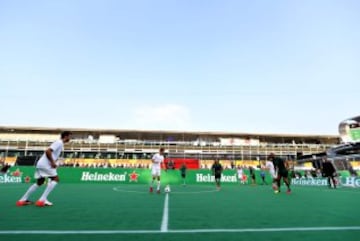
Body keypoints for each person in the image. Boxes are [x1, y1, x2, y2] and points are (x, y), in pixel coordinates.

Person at [16, 131, 72, 207]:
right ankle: (42, 200)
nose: (70, 138)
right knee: (56, 179)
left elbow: (51, 153)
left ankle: (22, 200)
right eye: (70, 136)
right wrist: (52, 162)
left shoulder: (60, 143)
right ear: (66, 136)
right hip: (46, 164)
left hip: (41, 164)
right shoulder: (59, 142)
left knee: (40, 182)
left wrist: (54, 162)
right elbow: (48, 151)